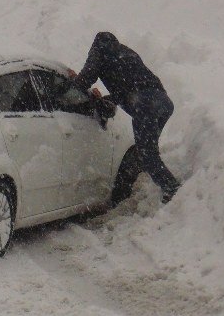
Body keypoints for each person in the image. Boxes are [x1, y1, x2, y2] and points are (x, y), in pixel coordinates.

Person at [64, 32, 180, 204]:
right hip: (163, 102)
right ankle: (151, 187)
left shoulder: (100, 51)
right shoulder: (125, 53)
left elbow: (88, 76)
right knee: (148, 151)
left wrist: (70, 89)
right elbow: (127, 86)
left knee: (146, 153)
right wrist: (106, 101)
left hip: (146, 104)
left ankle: (173, 189)